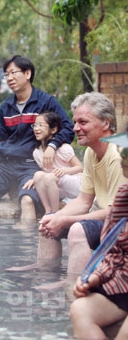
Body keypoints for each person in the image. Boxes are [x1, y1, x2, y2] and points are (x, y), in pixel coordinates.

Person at [8, 92, 127, 277]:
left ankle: (74, 284)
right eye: (75, 122)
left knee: (78, 230)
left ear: (106, 122)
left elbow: (114, 213)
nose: (75, 128)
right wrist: (55, 217)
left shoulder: (118, 156)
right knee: (49, 221)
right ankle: (45, 272)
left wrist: (65, 220)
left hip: (120, 226)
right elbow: (84, 201)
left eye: (83, 122)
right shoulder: (90, 153)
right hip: (107, 220)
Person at [0, 54, 75, 222]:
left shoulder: (46, 102)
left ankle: (25, 246)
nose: (9, 78)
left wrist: (52, 146)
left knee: (27, 201)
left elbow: (68, 127)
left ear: (27, 74)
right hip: (7, 165)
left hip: (32, 166)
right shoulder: (6, 106)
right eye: (6, 74)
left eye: (13, 72)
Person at [70, 129, 128, 340]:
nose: (121, 157)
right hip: (125, 283)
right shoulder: (123, 196)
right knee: (80, 309)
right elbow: (112, 251)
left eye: (127, 153)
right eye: (123, 150)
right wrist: (95, 277)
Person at [24, 111, 83, 215]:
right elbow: (44, 172)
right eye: (35, 125)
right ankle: (48, 211)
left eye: (41, 125)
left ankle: (55, 213)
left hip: (75, 184)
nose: (36, 129)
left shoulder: (63, 148)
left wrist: (65, 171)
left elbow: (80, 168)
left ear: (54, 129)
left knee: (49, 177)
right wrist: (34, 180)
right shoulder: (37, 152)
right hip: (57, 186)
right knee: (38, 175)